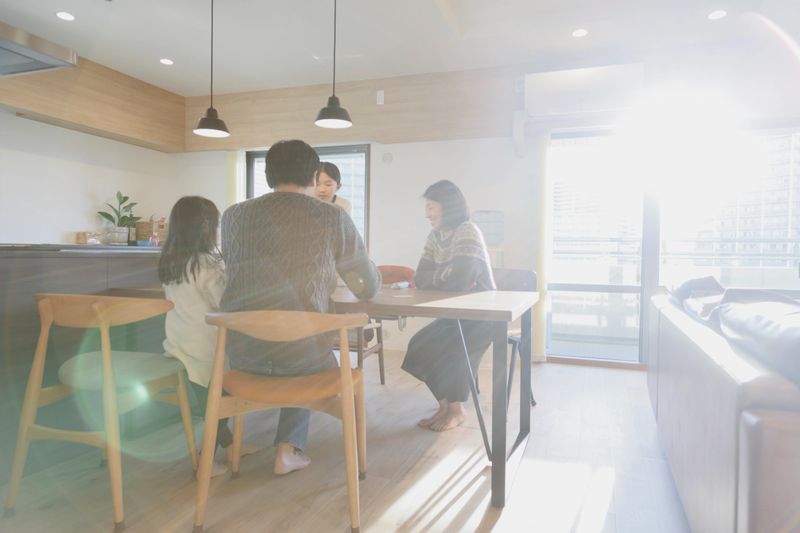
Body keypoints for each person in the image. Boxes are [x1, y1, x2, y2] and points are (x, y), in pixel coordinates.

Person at [220, 139, 381, 475]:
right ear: (313, 175)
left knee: (293, 331)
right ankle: (288, 448)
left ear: (267, 175)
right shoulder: (332, 216)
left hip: (241, 355)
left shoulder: (233, 216)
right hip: (303, 357)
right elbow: (366, 285)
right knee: (308, 340)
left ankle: (226, 446)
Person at [401, 180, 496, 432]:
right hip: (455, 312)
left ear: (448, 206)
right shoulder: (436, 236)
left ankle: (457, 411)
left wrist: (441, 276)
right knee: (419, 346)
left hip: (483, 315)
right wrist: (446, 276)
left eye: (431, 207)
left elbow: (461, 278)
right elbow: (421, 276)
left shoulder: (467, 230)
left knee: (453, 351)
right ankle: (444, 407)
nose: (427, 214)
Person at [158, 196, 232, 477]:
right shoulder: (207, 265)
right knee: (218, 403)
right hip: (206, 348)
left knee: (209, 401)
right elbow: (223, 303)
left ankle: (233, 444)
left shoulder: (172, 262)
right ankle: (205, 462)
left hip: (178, 342)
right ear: (208, 228)